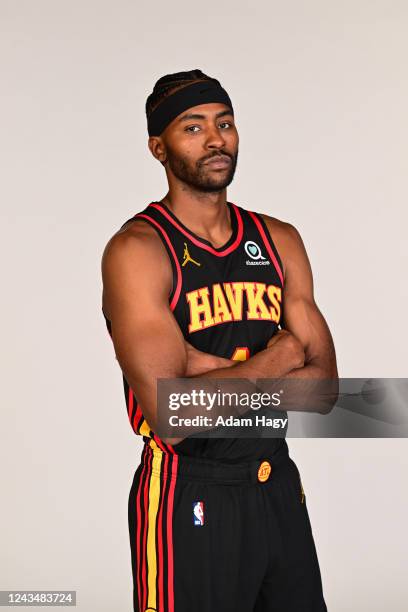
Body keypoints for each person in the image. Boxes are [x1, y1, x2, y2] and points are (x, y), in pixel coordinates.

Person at [101, 69, 338, 612]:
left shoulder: (279, 239)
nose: (215, 139)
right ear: (158, 147)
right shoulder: (138, 251)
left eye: (224, 123)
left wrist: (203, 374)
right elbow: (173, 417)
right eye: (193, 127)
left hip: (275, 481)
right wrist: (279, 356)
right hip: (189, 489)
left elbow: (324, 391)